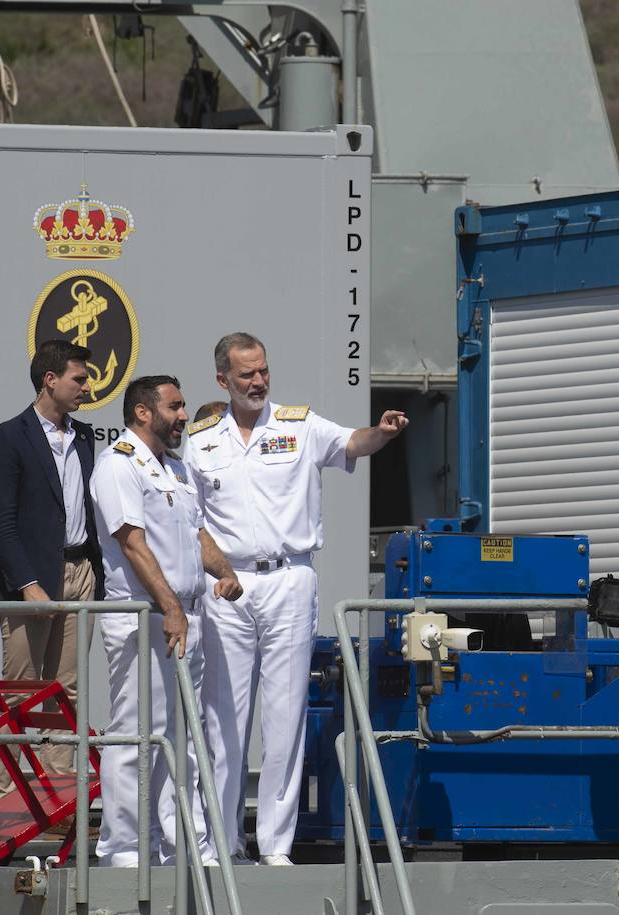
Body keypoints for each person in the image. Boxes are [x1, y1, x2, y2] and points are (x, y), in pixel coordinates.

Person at [185, 332, 407, 865]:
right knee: (225, 720)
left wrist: (382, 431)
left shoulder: (298, 424)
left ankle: (276, 846)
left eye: (263, 370)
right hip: (227, 584)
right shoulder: (200, 441)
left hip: (289, 578)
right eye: (246, 375)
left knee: (285, 717)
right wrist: (214, 570)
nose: (259, 381)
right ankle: (222, 842)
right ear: (223, 380)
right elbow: (190, 522)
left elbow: (352, 443)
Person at [90, 375, 243, 867]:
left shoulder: (173, 469)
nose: (184, 416)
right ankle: (124, 851)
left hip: (184, 621)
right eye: (176, 407)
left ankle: (185, 848)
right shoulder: (118, 465)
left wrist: (226, 572)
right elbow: (132, 543)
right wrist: (170, 609)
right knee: (137, 737)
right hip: (144, 619)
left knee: (183, 741)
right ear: (142, 412)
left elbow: (196, 534)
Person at [0, 339, 106, 804]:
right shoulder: (9, 437)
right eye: (80, 378)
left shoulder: (85, 438)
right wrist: (28, 584)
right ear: (49, 380)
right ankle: (4, 803)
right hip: (29, 581)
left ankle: (56, 803)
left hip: (79, 573)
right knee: (21, 693)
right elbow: (0, 523)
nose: (87, 387)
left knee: (67, 693)